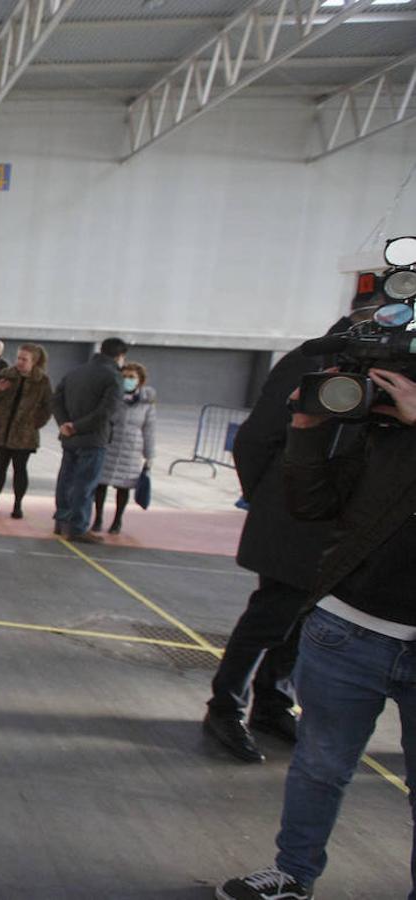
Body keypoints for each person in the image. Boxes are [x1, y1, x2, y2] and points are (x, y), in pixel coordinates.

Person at [217, 366, 416, 900]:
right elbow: (311, 504)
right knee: (319, 768)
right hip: (347, 632)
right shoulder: (382, 431)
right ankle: (293, 874)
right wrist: (306, 427)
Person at [205, 305, 373, 765]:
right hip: (294, 520)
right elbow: (255, 439)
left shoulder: (369, 377)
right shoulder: (310, 365)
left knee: (299, 623)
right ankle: (225, 707)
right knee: (270, 618)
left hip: (332, 528)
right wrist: (271, 498)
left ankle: (272, 703)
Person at [51, 337, 128, 543]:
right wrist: (78, 427)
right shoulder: (114, 377)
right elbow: (106, 411)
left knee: (66, 480)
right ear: (120, 356)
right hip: (93, 438)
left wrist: (65, 423)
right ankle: (77, 527)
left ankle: (61, 521)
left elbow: (56, 399)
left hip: (69, 436)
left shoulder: (75, 372)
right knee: (85, 484)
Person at [0, 343, 52, 519]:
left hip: (24, 434)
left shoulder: (42, 380)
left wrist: (35, 424)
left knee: (20, 469)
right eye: (18, 358)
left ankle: (18, 505)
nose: (20, 362)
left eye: (24, 359)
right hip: (2, 430)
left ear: (34, 361)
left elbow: (47, 406)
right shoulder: (6, 374)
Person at [93, 361, 157, 534]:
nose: (127, 380)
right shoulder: (112, 396)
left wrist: (149, 456)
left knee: (123, 487)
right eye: (124, 377)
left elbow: (149, 429)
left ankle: (117, 520)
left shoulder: (147, 403)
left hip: (132, 448)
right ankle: (97, 518)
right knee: (101, 483)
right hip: (110, 444)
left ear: (140, 380)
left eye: (131, 377)